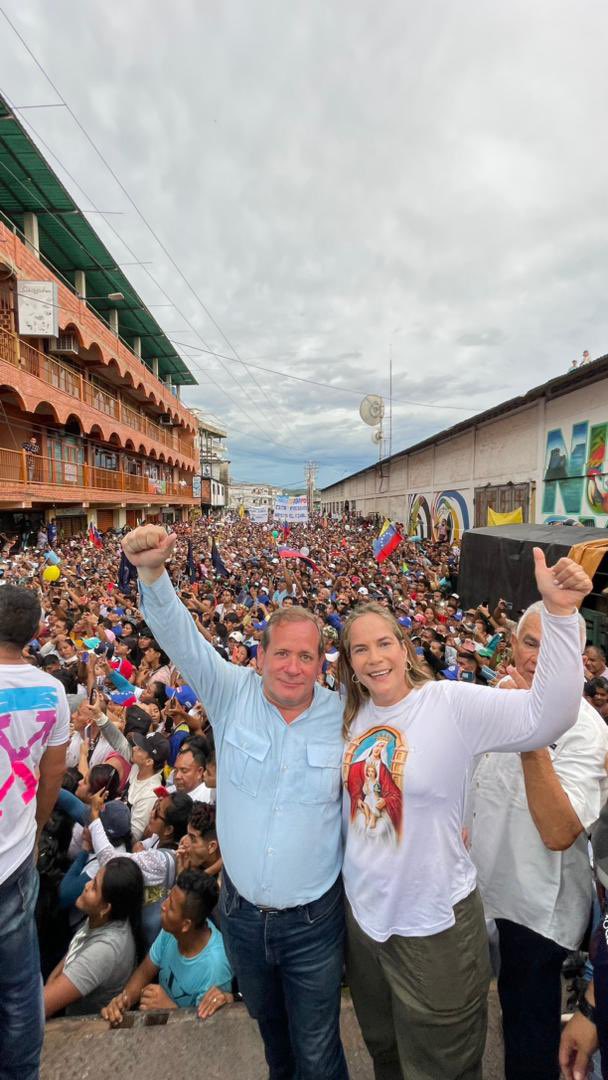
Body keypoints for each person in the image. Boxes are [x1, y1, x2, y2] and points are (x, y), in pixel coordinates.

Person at [337, 549, 591, 1080]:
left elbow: (548, 717)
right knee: (386, 1053)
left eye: (384, 642)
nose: (374, 657)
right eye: (360, 648)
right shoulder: (351, 715)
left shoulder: (450, 703)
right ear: (348, 661)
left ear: (404, 647)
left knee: (443, 1067)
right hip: (366, 923)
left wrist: (563, 616)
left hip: (434, 926)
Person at [122, 524, 348, 1080]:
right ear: (260, 654)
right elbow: (181, 638)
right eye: (282, 653)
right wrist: (152, 571)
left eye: (306, 656)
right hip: (242, 918)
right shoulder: (230, 691)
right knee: (276, 1046)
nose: (293, 667)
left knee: (318, 1055)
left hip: (315, 922)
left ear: (323, 662)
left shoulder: (346, 717)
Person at [469, 601, 608, 1080]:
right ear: (511, 644)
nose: (538, 657)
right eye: (530, 642)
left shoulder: (586, 729)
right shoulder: (494, 699)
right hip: (480, 896)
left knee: (530, 1048)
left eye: (554, 648)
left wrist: (532, 728)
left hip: (535, 920)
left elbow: (558, 830)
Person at [0, 584, 69, 1079]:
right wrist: (36, 825)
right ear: (36, 632)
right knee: (20, 987)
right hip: (14, 856)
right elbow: (52, 777)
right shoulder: (52, 692)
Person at [101, 869, 232, 1022]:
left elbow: (202, 1032)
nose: (163, 905)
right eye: (168, 897)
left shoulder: (216, 969)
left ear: (186, 924)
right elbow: (144, 973)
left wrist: (170, 1008)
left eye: (171, 907)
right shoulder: (171, 931)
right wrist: (123, 1001)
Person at [44, 858, 144, 1017]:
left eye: (94, 888)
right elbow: (74, 950)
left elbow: (41, 1007)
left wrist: (51, 987)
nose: (86, 885)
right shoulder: (105, 916)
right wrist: (52, 981)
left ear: (106, 908)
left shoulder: (104, 951)